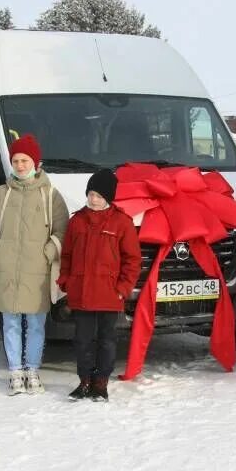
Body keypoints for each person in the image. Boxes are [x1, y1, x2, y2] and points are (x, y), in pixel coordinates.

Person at [0, 134, 69, 395]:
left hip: (37, 270)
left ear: (35, 162)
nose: (20, 165)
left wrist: (47, 252)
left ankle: (32, 369)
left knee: (35, 323)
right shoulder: (1, 194)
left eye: (25, 160)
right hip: (6, 267)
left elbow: (62, 229)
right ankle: (15, 372)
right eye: (16, 160)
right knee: (9, 322)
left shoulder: (50, 194)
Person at [58, 168, 140, 401]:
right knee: (82, 340)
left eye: (99, 196)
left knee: (107, 340)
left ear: (108, 198)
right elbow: (67, 255)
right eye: (91, 194)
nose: (93, 200)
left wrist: (122, 289)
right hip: (81, 293)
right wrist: (66, 281)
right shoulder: (77, 221)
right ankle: (84, 380)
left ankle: (101, 382)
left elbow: (132, 260)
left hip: (109, 295)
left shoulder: (122, 223)